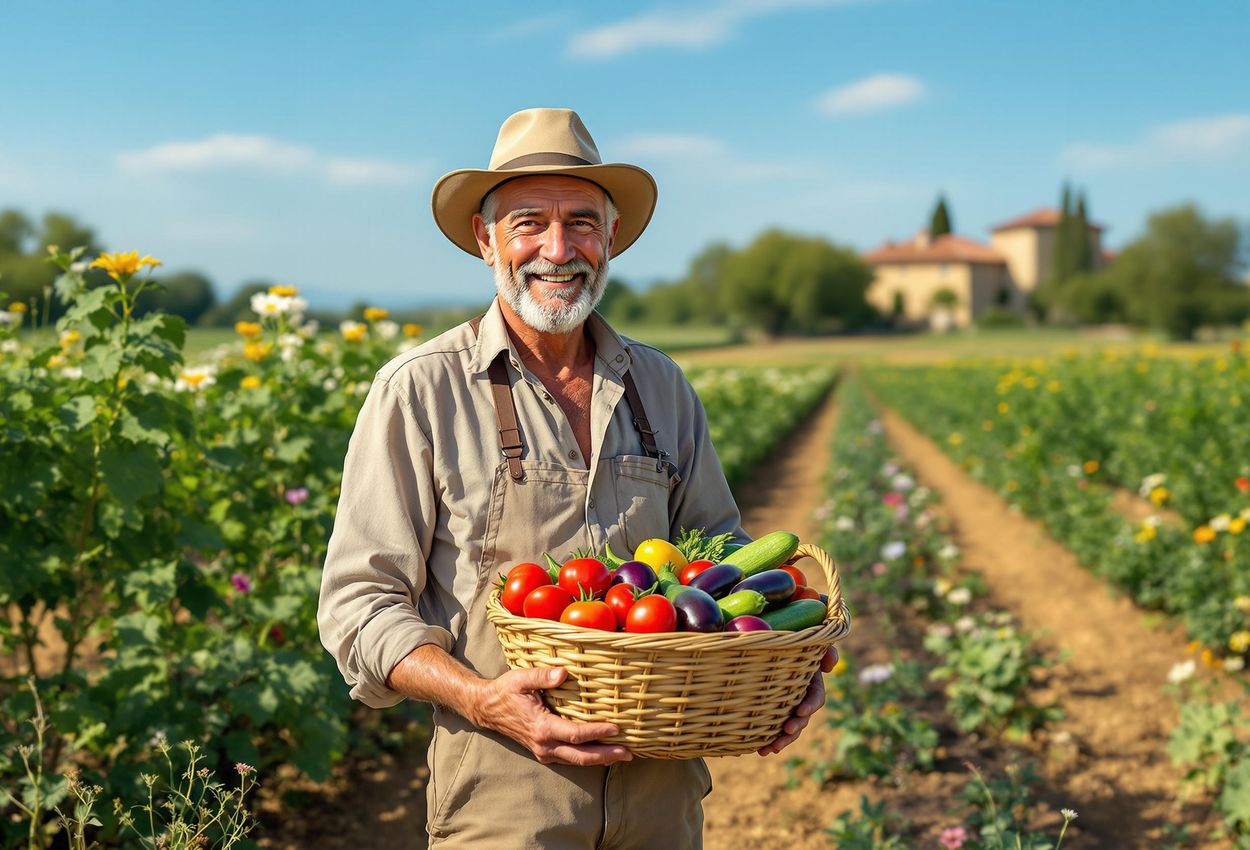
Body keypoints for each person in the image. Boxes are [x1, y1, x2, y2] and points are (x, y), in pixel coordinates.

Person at [317, 107, 836, 849]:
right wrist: (483, 698)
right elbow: (359, 604)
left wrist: (776, 663)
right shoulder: (420, 390)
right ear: (485, 238)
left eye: (582, 223)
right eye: (529, 222)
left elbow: (722, 554)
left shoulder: (661, 386)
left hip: (662, 790)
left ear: (612, 237)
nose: (558, 250)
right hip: (503, 795)